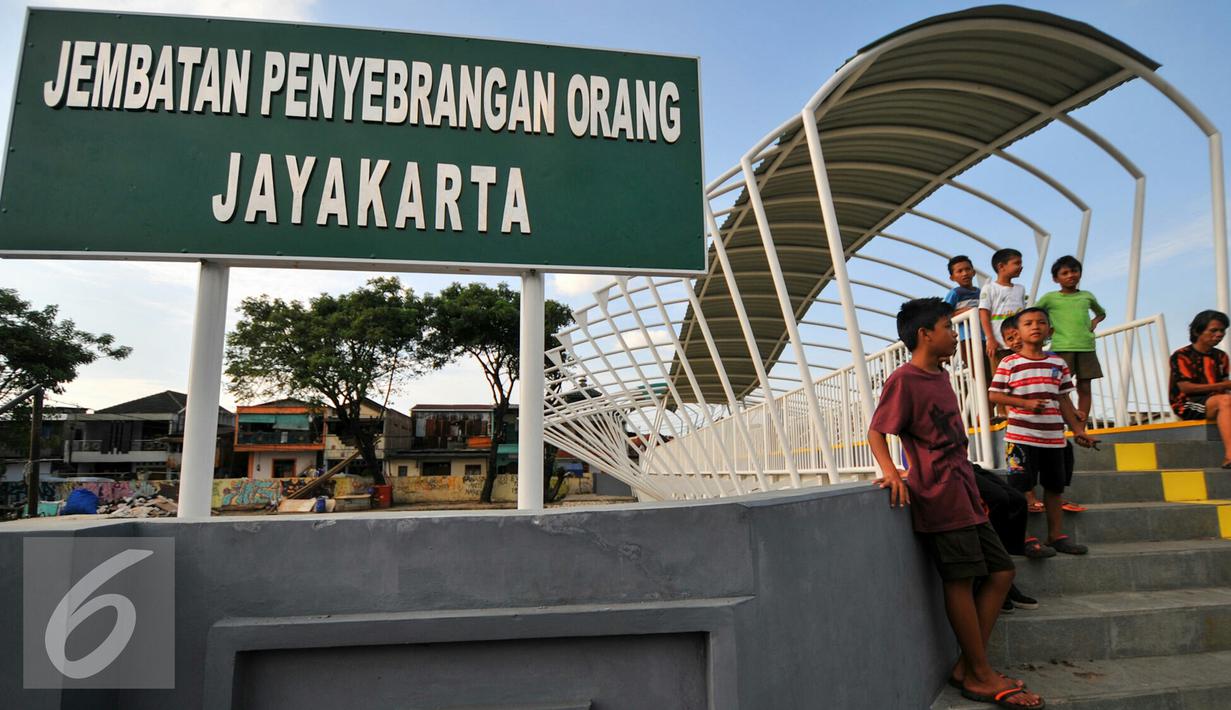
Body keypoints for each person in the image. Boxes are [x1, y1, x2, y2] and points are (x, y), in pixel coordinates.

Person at [869, 297, 1044, 708]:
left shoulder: (942, 376)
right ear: (925, 333)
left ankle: (970, 664)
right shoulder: (904, 379)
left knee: (1001, 572)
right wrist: (892, 472)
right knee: (961, 581)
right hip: (938, 495)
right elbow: (879, 431)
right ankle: (980, 674)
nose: (954, 333)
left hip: (964, 489)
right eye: (948, 327)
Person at [990, 308, 1098, 556]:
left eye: (1041, 322)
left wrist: (1078, 431)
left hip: (1053, 439)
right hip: (1019, 438)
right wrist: (1025, 404)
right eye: (1028, 323)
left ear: (1051, 330)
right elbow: (994, 395)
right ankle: (1024, 538)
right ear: (1017, 332)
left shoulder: (1057, 363)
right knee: (1019, 489)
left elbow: (1064, 401)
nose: (1035, 326)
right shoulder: (1010, 362)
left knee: (1054, 488)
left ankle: (1056, 535)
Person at [1001, 316, 1086, 517]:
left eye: (1016, 336)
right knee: (1023, 472)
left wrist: (1074, 417)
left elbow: (1060, 394)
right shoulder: (1009, 363)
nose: (1015, 342)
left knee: (1057, 470)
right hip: (1021, 429)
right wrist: (1012, 411)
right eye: (1009, 339)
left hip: (1051, 431)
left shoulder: (1055, 362)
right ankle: (1030, 498)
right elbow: (1001, 396)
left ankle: (1054, 504)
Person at [1034, 256, 1106, 422]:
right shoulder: (1050, 298)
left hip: (1086, 346)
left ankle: (1082, 424)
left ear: (1080, 273)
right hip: (1062, 346)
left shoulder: (1087, 296)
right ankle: (1072, 415)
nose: (1070, 275)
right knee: (1061, 386)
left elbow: (1101, 313)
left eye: (1074, 271)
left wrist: (1094, 322)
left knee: (1085, 386)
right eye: (1064, 273)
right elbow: (1032, 313)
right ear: (1055, 278)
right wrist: (1045, 329)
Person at [1169, 310, 1231, 468]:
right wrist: (1224, 386)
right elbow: (1187, 388)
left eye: (1222, 331)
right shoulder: (1182, 355)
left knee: (1225, 400)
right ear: (1198, 331)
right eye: (1214, 330)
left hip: (1216, 400)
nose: (1219, 334)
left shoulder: (1221, 357)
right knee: (1225, 401)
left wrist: (1225, 387)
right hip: (1187, 403)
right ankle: (1230, 455)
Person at [979, 248, 1027, 419]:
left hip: (1020, 342)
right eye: (1017, 263)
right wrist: (990, 338)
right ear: (1001, 266)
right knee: (999, 377)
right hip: (999, 342)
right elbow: (984, 312)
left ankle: (1018, 409)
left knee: (1020, 375)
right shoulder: (990, 288)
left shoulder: (1020, 289)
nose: (1021, 267)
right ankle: (1002, 411)